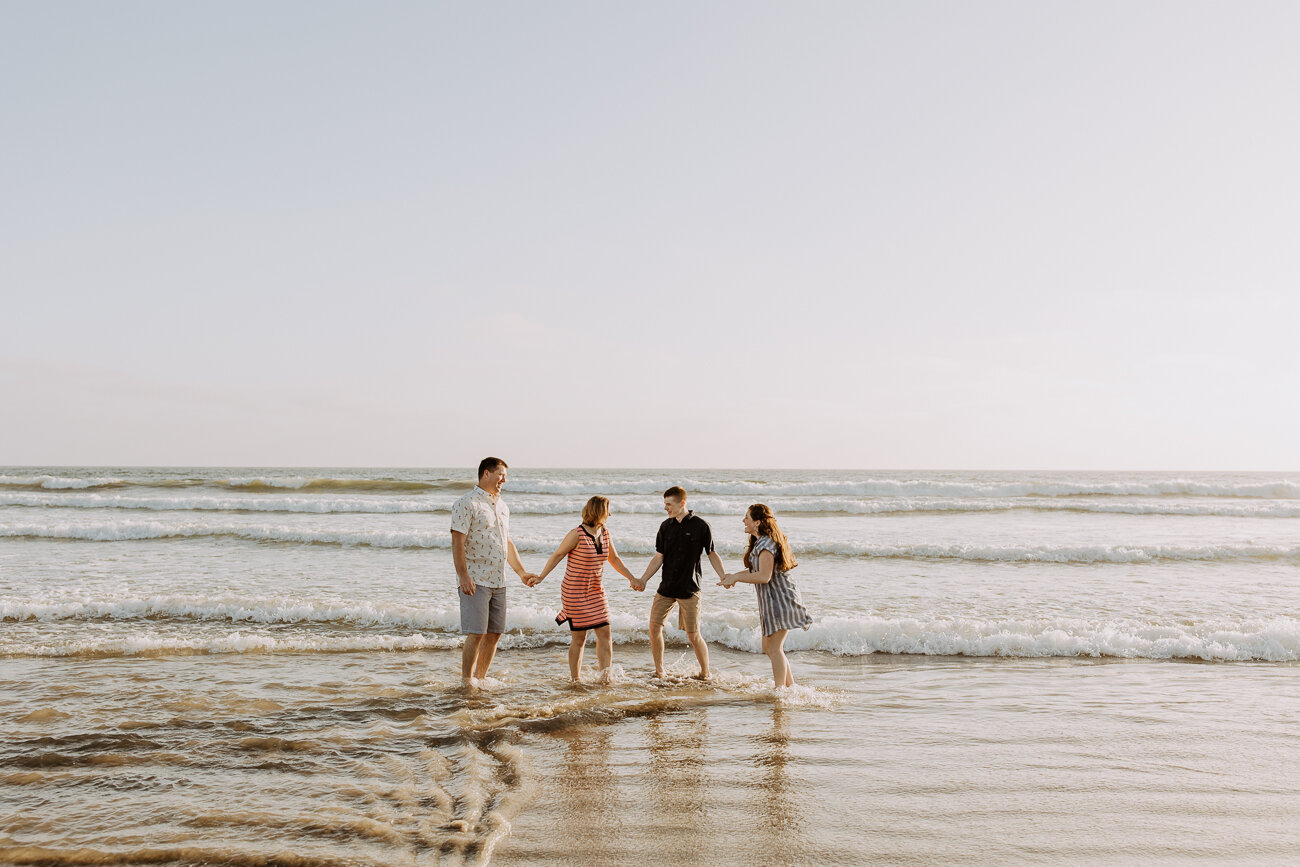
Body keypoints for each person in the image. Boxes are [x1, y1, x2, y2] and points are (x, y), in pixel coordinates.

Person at [528, 495, 639, 683]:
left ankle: (605, 677)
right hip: (574, 591)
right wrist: (541, 577)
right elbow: (558, 554)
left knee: (605, 633)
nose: (610, 514)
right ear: (599, 511)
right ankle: (575, 680)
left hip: (596, 591)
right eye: (607, 510)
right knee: (579, 638)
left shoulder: (605, 532)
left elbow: (614, 559)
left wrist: (632, 578)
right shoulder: (576, 534)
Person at [449, 457, 538, 687]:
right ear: (486, 473)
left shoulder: (503, 507)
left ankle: (481, 678)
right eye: (501, 475)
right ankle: (467, 681)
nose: (504, 480)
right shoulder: (465, 503)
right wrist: (463, 576)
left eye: (505, 476)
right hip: (475, 579)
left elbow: (506, 543)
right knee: (476, 633)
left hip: (499, 580)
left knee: (495, 633)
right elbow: (458, 542)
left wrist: (521, 572)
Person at [633, 486, 725, 679]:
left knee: (693, 635)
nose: (666, 508)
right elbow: (659, 557)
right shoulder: (665, 527)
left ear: (682, 503)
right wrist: (643, 579)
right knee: (654, 628)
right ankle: (660, 671)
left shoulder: (701, 526)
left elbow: (712, 553)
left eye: (669, 504)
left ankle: (705, 673)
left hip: (690, 589)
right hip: (666, 588)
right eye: (665, 504)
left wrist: (723, 576)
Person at [719, 503, 812, 688]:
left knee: (774, 648)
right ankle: (790, 686)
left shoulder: (766, 544)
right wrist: (733, 577)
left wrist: (737, 577)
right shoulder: (760, 542)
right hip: (770, 601)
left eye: (747, 517)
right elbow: (757, 570)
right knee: (768, 647)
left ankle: (780, 691)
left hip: (780, 599)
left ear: (758, 522)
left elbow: (764, 576)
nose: (743, 520)